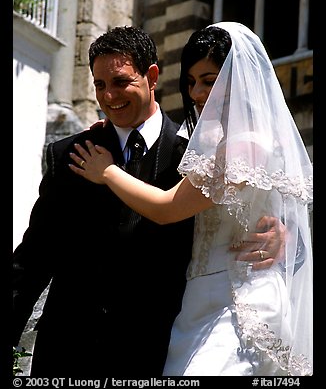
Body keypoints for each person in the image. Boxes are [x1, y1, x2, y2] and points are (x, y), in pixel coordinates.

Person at [13, 25, 283, 377]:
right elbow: (32, 259)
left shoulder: (194, 157)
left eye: (121, 82)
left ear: (151, 76)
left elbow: (245, 202)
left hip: (157, 353)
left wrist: (282, 233)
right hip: (67, 354)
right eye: (99, 85)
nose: (109, 95)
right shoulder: (72, 154)